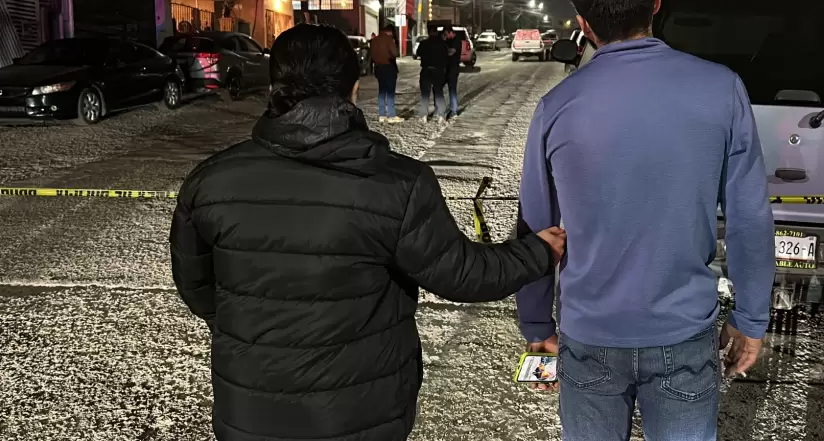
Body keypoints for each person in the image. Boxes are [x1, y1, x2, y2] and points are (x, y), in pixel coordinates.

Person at [170, 24, 567, 441]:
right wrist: (537, 251)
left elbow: (197, 287)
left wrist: (256, 328)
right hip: (361, 412)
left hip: (249, 409)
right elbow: (461, 273)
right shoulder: (397, 183)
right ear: (354, 87)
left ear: (274, 86)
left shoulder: (211, 180)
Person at [515, 0, 775, 441]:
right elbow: (748, 216)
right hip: (682, 331)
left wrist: (535, 322)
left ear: (584, 24)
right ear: (656, 3)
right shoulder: (721, 89)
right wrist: (750, 317)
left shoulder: (556, 106)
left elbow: (535, 228)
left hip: (588, 331)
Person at [415, 26, 448, 122]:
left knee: (425, 94)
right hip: (438, 71)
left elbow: (418, 53)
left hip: (426, 70)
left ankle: (423, 115)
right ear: (437, 33)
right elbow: (446, 57)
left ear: (428, 33)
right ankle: (441, 115)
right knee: (439, 93)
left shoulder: (423, 43)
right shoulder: (442, 44)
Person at [369, 24, 401, 123]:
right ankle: (391, 115)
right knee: (390, 92)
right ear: (389, 32)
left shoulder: (374, 40)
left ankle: (382, 115)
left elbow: (372, 55)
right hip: (389, 67)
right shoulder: (389, 40)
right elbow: (395, 53)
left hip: (379, 68)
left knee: (382, 91)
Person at [443, 27, 462, 118]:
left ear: (451, 33)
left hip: (453, 68)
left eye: (447, 34)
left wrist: (443, 50)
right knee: (441, 88)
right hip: (446, 68)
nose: (446, 36)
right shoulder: (449, 41)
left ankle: (454, 109)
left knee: (452, 89)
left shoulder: (457, 41)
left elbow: (451, 52)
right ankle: (447, 107)